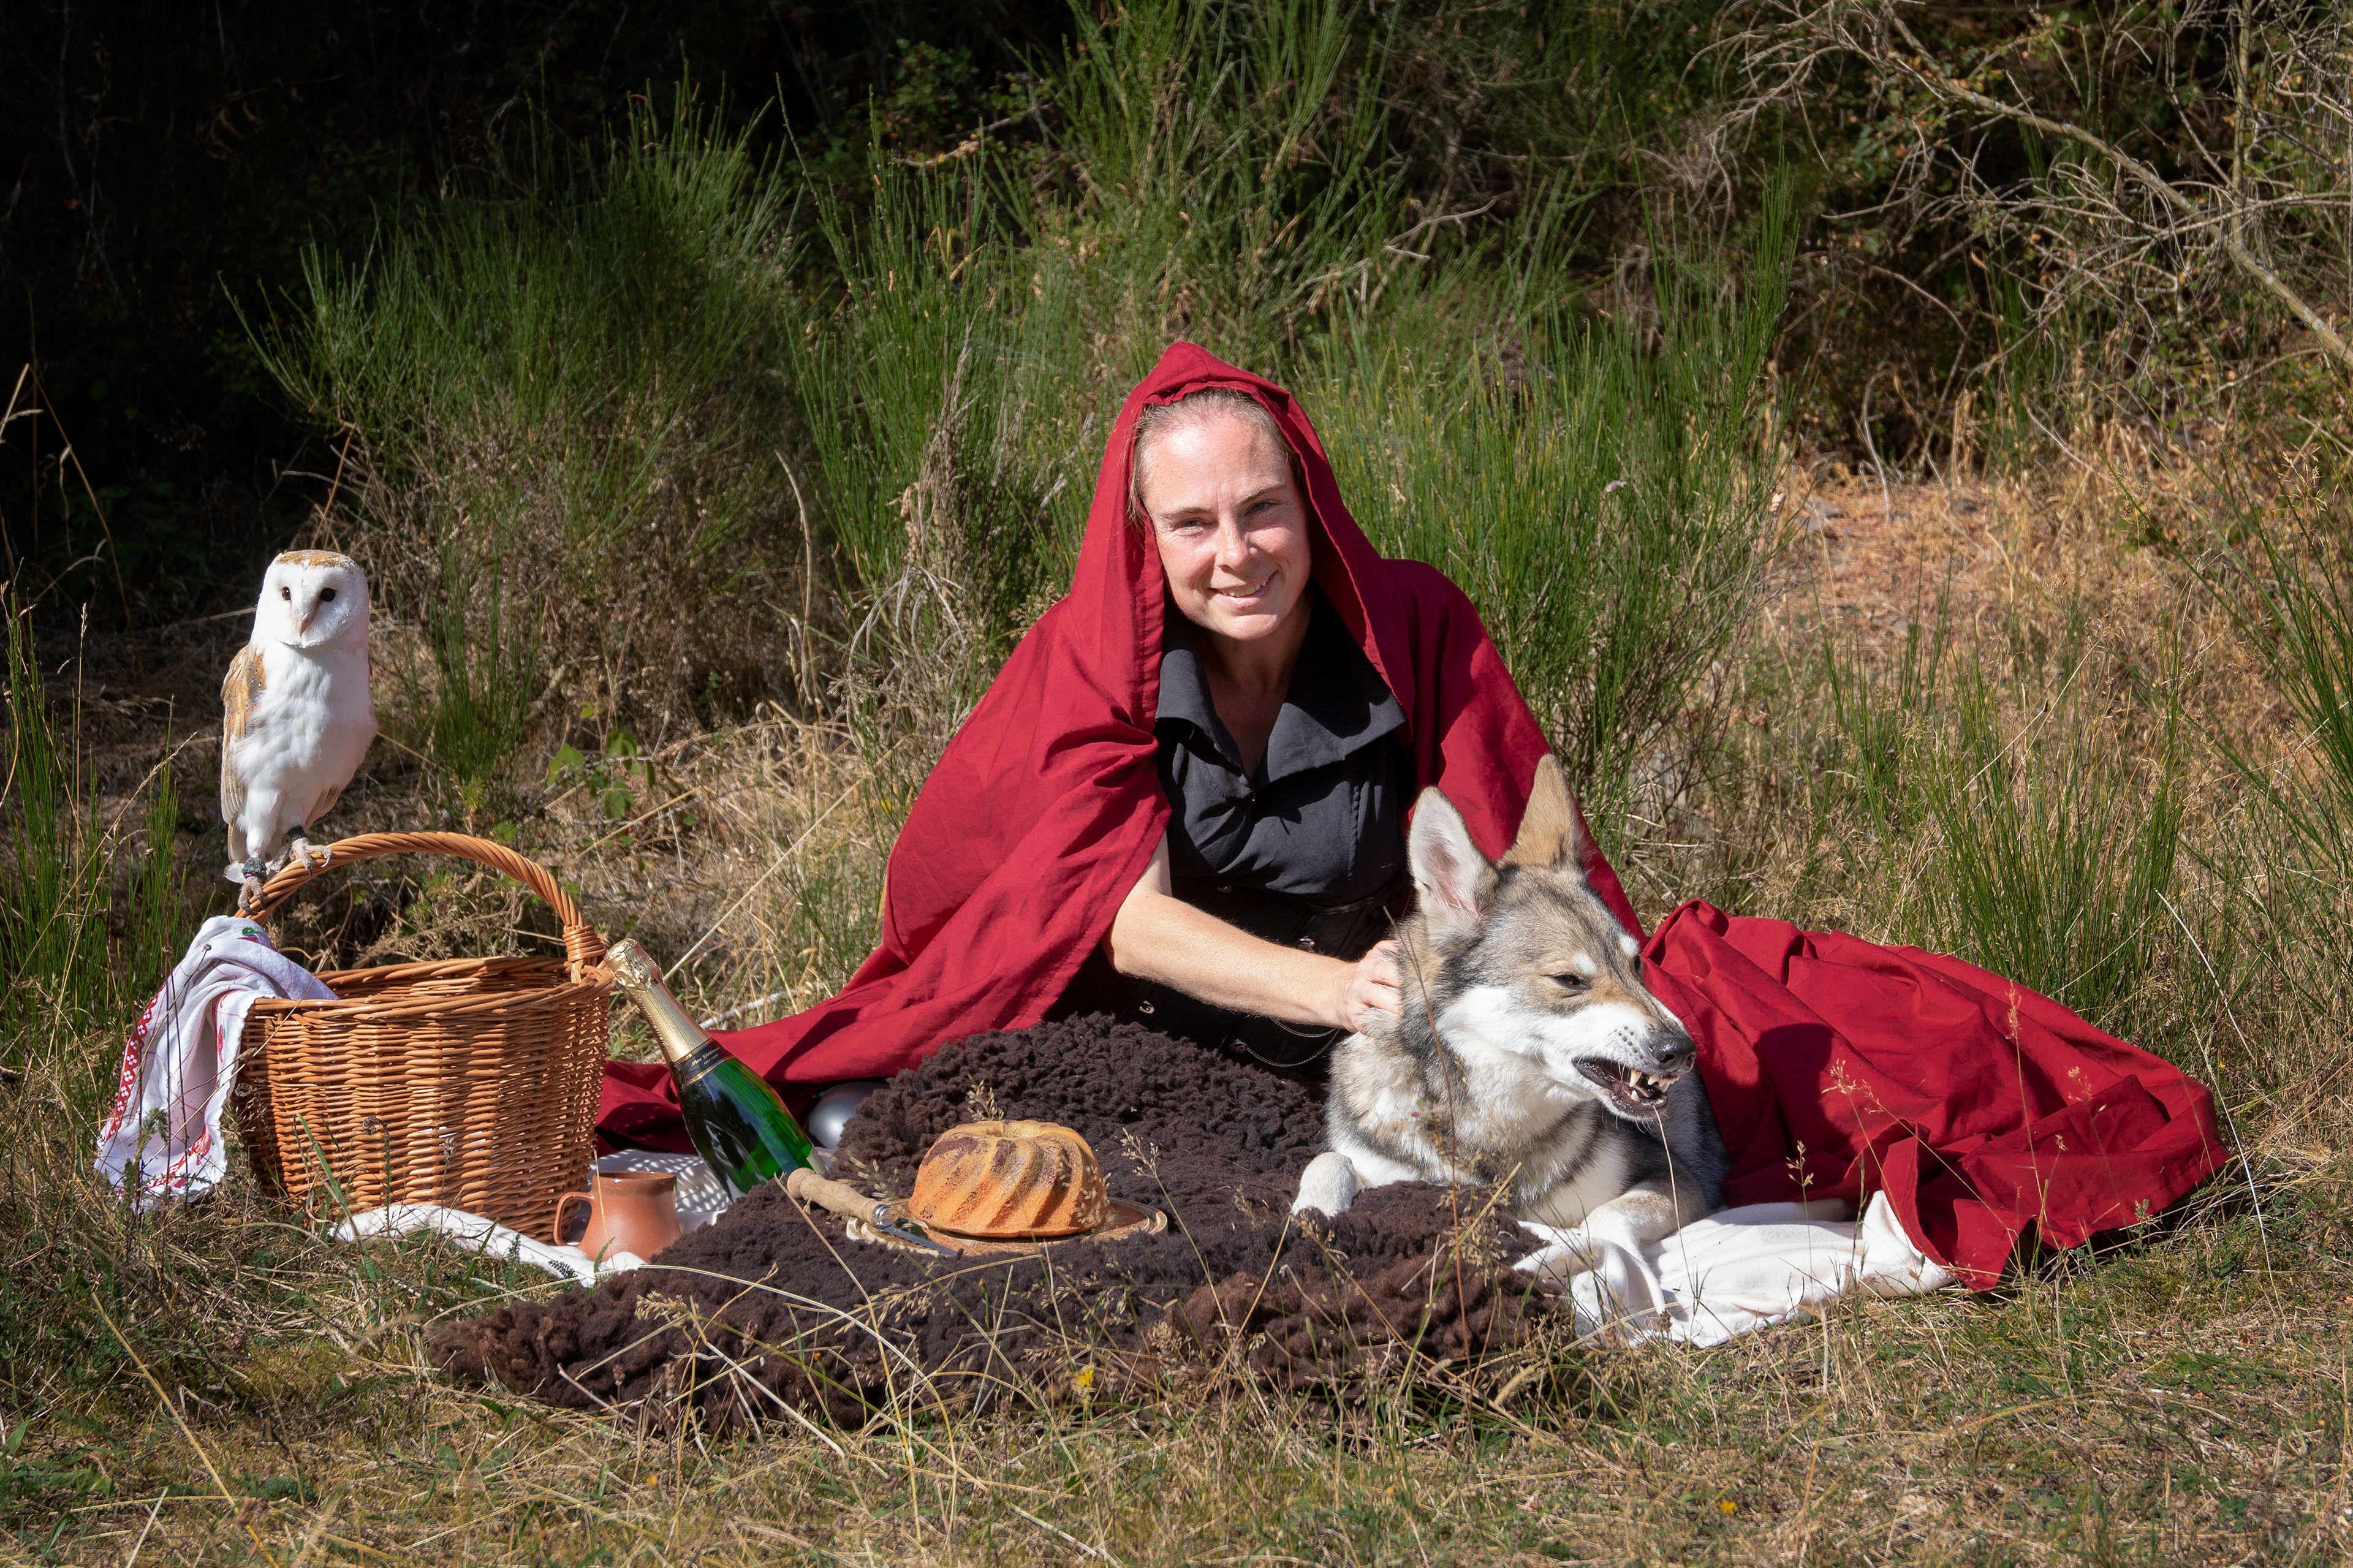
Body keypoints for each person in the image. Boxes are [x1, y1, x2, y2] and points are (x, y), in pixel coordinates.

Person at [602, 343, 2227, 1289]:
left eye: (1261, 510)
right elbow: (1102, 912)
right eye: (1193, 524)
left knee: (1753, 1030)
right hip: (1204, 1018)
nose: (1232, 549)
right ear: (1146, 536)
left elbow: (1530, 861)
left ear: (1306, 503)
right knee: (882, 1124)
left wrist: (1461, 990)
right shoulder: (1098, 660)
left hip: (1416, 1015)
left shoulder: (1411, 623)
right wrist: (1336, 994)